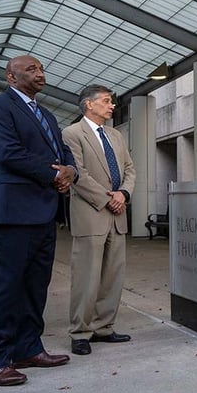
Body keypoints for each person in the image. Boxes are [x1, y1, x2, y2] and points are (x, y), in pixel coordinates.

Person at [0, 55, 77, 386]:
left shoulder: (46, 114)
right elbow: (7, 152)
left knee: (35, 287)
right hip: (10, 212)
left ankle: (28, 348)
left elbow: (64, 153)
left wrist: (70, 171)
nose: (40, 73)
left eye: (42, 68)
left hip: (44, 213)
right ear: (11, 77)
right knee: (4, 288)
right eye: (31, 69)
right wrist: (53, 175)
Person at [62, 85, 136, 356]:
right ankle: (80, 332)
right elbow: (77, 174)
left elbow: (129, 168)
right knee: (86, 276)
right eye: (106, 101)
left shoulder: (115, 135)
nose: (112, 105)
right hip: (91, 213)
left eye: (111, 101)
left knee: (112, 276)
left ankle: (104, 327)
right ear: (88, 105)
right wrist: (109, 199)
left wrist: (124, 193)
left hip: (117, 215)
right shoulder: (71, 134)